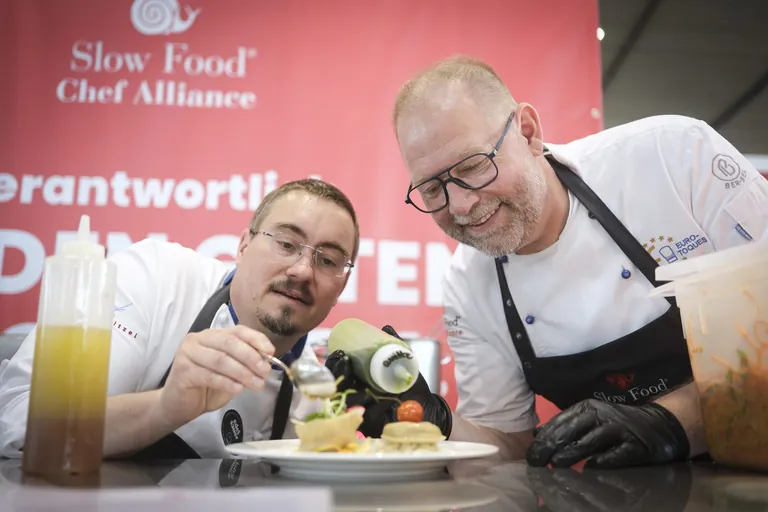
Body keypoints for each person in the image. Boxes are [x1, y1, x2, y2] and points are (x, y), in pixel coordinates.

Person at [328, 55, 768, 469]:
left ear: (528, 131)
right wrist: (432, 422)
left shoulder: (674, 158)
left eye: (473, 166)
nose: (460, 205)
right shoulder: (468, 285)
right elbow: (506, 442)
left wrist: (670, 422)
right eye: (431, 189)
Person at [0, 179, 360, 459]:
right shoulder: (154, 278)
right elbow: (17, 423)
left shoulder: (313, 397)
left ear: (341, 287)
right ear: (243, 246)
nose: (302, 270)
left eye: (327, 260)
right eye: (286, 243)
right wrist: (164, 408)